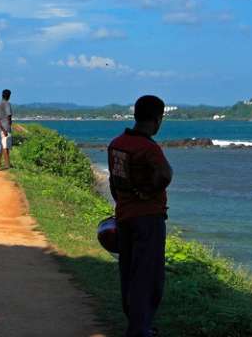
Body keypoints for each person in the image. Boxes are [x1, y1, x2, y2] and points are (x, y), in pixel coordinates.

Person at [108, 95, 173, 337]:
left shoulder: (116, 144)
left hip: (125, 216)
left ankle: (135, 323)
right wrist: (148, 192)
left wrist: (126, 199)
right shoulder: (149, 148)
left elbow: (113, 181)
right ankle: (139, 328)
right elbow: (166, 174)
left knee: (129, 272)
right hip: (149, 218)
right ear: (157, 119)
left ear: (135, 115)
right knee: (149, 275)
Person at [0, 89, 14, 169]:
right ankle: (7, 165)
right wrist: (10, 124)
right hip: (5, 127)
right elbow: (9, 115)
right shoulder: (7, 104)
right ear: (9, 96)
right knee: (6, 147)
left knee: (0, 146)